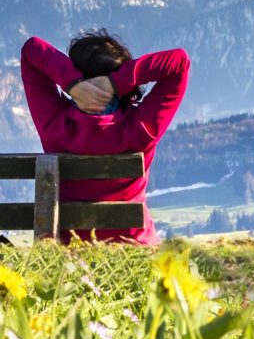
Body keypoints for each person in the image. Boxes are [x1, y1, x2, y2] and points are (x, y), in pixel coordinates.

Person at [20, 29, 190, 245]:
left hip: (71, 253)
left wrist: (73, 83)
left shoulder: (54, 123)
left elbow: (31, 50)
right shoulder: (140, 127)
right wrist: (117, 83)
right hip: (135, 248)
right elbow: (179, 62)